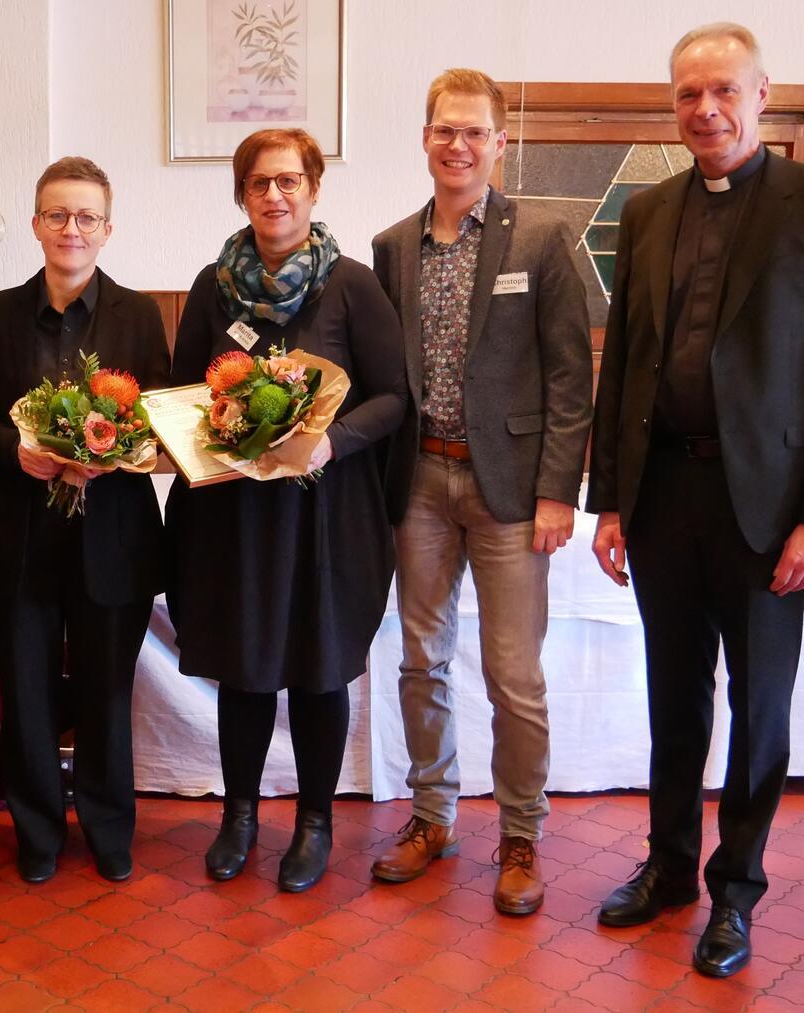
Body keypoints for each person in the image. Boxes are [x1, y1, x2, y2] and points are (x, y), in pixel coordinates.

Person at [588, 23, 804, 978]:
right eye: (686, 94)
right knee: (673, 697)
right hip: (663, 489)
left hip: (766, 508)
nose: (705, 109)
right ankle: (671, 868)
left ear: (763, 96)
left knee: (758, 713)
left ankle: (738, 891)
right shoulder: (647, 211)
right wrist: (610, 499)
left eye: (723, 90)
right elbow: (625, 363)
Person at [370, 69, 592, 915]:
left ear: (501, 142)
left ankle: (522, 834)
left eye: (474, 132)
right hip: (420, 478)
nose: (457, 145)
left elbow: (571, 376)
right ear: (424, 139)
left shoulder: (541, 237)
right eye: (443, 130)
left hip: (509, 489)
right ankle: (432, 816)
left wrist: (555, 492)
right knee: (420, 657)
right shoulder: (392, 246)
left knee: (511, 674)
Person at [165, 129, 407, 892]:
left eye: (290, 181)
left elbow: (396, 397)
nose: (275, 194)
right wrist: (211, 432)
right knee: (244, 672)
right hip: (234, 518)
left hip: (324, 515)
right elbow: (182, 392)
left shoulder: (353, 286)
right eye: (261, 182)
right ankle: (238, 815)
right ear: (242, 193)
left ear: (314, 190)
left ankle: (313, 820)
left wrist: (332, 442)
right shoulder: (213, 285)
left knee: (317, 670)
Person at [0, 157, 169, 884]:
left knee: (108, 691)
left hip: (114, 536)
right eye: (57, 215)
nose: (71, 228)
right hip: (18, 535)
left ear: (107, 229)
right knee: (28, 690)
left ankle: (111, 828)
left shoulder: (138, 314)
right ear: (36, 224)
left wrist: (118, 457)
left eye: (85, 217)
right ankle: (39, 831)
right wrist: (19, 453)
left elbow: (160, 421)